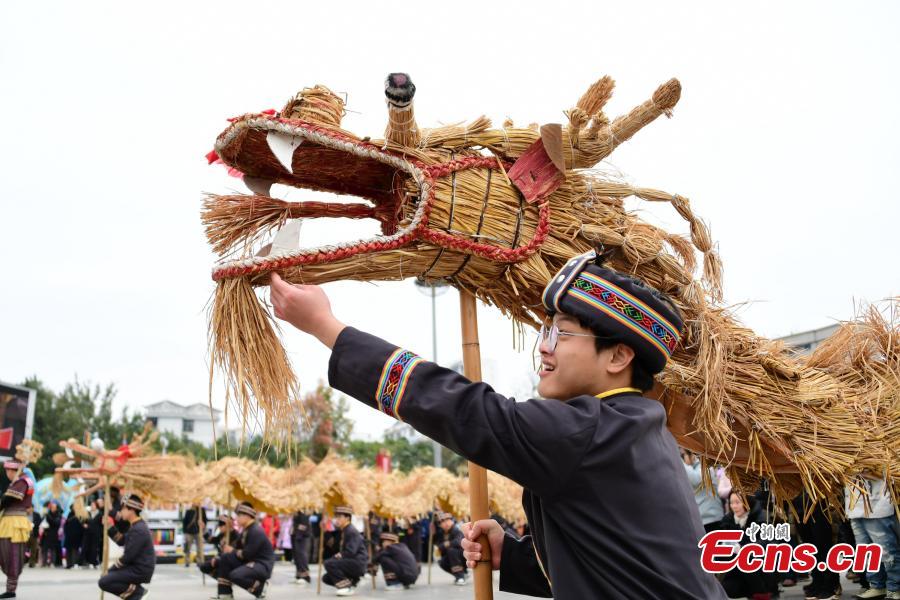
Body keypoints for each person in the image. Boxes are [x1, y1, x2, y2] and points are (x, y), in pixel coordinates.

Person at [269, 250, 727, 599]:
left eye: (562, 333)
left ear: (619, 356)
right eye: (545, 332)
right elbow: (618, 565)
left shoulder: (590, 431)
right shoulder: (638, 428)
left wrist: (325, 327)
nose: (544, 348)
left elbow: (461, 409)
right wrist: (514, 555)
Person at [846, 475, 900, 600]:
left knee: (887, 551)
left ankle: (895, 588)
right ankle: (877, 586)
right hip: (854, 506)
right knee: (866, 551)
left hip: (876, 504)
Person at [718, 491, 779, 600]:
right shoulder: (727, 520)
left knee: (746, 560)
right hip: (736, 568)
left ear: (747, 503)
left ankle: (763, 592)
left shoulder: (761, 517)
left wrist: (745, 548)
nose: (734, 506)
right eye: (732, 503)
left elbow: (767, 542)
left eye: (738, 502)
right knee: (728, 588)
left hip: (759, 564)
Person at [209, 502, 273, 599]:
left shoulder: (256, 531)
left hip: (261, 565)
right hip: (250, 561)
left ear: (247, 516)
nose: (236, 519)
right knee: (224, 558)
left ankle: (259, 588)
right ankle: (225, 594)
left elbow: (247, 554)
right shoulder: (246, 530)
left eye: (238, 516)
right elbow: (235, 547)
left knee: (236, 575)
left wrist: (232, 550)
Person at [98, 494, 155, 600]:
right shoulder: (135, 526)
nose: (121, 512)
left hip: (140, 570)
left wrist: (111, 569)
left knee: (104, 581)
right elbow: (121, 541)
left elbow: (128, 557)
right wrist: (110, 527)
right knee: (106, 579)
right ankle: (135, 595)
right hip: (135, 567)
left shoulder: (139, 529)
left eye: (123, 509)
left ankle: (139, 593)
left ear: (131, 510)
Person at [0, 460, 34, 598]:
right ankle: (10, 588)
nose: (7, 473)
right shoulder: (16, 482)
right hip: (7, 521)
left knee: (11, 555)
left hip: (15, 523)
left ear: (13, 470)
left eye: (8, 470)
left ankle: (11, 589)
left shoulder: (23, 481)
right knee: (5, 554)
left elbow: (6, 501)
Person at [321, 506, 368, 597]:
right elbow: (335, 548)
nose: (337, 519)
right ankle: (352, 582)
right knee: (326, 578)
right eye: (336, 517)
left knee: (329, 563)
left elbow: (351, 552)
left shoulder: (351, 531)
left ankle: (346, 587)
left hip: (358, 563)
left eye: (339, 517)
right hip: (351, 561)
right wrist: (325, 531)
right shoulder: (344, 530)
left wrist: (339, 556)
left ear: (347, 518)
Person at [682, 449, 725, 532]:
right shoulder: (692, 469)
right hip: (701, 520)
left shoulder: (706, 466)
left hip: (713, 518)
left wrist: (678, 461)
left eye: (684, 455)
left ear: (692, 455)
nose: (684, 458)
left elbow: (696, 478)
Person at [434, 513, 467, 585]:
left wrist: (446, 544)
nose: (446, 523)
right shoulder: (440, 533)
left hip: (462, 556)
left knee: (452, 551)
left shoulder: (456, 530)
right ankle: (461, 573)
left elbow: (458, 542)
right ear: (440, 525)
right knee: (441, 562)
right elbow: (439, 545)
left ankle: (460, 577)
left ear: (452, 521)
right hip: (449, 557)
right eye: (443, 522)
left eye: (448, 520)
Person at [181, 503, 206, 568]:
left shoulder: (201, 510)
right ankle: (187, 561)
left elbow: (205, 520)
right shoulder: (189, 510)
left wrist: (203, 527)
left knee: (199, 547)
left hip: (198, 531)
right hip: (189, 532)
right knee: (188, 547)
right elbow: (185, 521)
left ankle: (199, 561)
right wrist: (185, 532)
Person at [291, 510, 311, 585]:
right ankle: (299, 575)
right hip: (296, 534)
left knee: (301, 554)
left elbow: (304, 523)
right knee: (296, 555)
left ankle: (305, 576)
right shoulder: (297, 510)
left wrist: (299, 534)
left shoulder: (304, 510)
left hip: (302, 535)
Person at [40, 501, 62, 567]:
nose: (52, 508)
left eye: (54, 507)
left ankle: (52, 562)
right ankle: (44, 563)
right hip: (46, 534)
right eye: (51, 507)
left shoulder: (58, 515)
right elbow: (42, 522)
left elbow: (55, 523)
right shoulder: (47, 514)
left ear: (56, 508)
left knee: (53, 549)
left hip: (54, 535)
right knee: (45, 549)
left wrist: (48, 516)